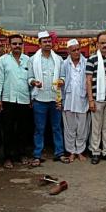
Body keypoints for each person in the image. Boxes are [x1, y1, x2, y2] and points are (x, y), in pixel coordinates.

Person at [28, 31, 67, 167]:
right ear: (39, 44)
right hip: (39, 98)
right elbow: (29, 77)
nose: (47, 44)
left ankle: (59, 153)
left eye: (49, 41)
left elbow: (63, 76)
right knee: (39, 128)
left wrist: (61, 81)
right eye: (44, 41)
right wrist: (34, 82)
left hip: (55, 98)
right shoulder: (33, 59)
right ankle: (37, 155)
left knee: (57, 127)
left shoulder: (58, 59)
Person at [0, 34, 31, 168]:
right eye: (14, 44)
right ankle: (8, 157)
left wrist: (32, 97)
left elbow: (31, 80)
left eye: (19, 44)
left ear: (23, 45)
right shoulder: (3, 60)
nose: (17, 46)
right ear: (9, 45)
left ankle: (21, 154)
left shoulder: (28, 60)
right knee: (7, 129)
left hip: (24, 99)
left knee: (23, 129)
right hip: (7, 99)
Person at [86, 32, 106, 164]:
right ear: (97, 44)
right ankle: (95, 151)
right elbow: (88, 81)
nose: (105, 45)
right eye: (102, 43)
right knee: (96, 127)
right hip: (97, 99)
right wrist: (91, 100)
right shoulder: (92, 59)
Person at [60, 39, 89, 162]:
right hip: (68, 100)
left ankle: (80, 151)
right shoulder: (64, 64)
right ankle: (71, 151)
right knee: (69, 128)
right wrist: (60, 99)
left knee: (82, 128)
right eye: (74, 50)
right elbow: (60, 82)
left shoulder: (86, 63)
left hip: (82, 99)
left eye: (78, 49)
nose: (77, 52)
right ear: (68, 52)